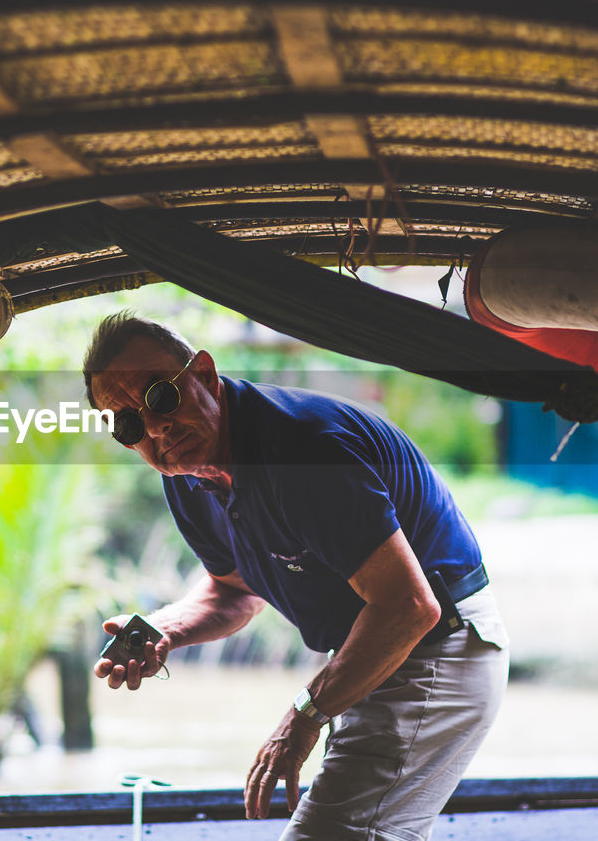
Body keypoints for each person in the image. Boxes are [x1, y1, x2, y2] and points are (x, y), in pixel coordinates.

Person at [83, 312, 509, 841]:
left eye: (159, 396)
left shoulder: (301, 451)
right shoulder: (189, 474)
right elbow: (236, 588)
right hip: (376, 647)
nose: (153, 427)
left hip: (437, 645)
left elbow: (409, 607)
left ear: (205, 376)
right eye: (125, 423)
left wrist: (303, 717)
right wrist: (166, 627)